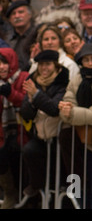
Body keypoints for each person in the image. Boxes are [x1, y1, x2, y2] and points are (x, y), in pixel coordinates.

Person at [58, 43, 92, 208]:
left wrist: (71, 113)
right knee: (77, 181)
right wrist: (67, 111)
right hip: (77, 139)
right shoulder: (77, 78)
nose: (89, 63)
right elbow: (66, 103)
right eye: (86, 59)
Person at [20, 50, 70, 198]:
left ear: (55, 65)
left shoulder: (63, 82)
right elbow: (26, 113)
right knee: (29, 150)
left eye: (47, 64)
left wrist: (35, 95)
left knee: (59, 171)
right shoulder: (33, 81)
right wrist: (30, 100)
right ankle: (36, 186)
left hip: (59, 138)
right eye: (41, 65)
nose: (44, 68)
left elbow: (54, 108)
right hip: (40, 136)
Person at [0, 48, 29, 208]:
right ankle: (9, 193)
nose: (2, 67)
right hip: (3, 132)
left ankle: (29, 199)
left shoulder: (23, 77)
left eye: (5, 62)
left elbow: (26, 103)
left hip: (23, 130)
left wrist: (10, 92)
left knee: (23, 156)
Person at [5, 0, 38, 71]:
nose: (17, 16)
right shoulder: (7, 39)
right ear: (10, 19)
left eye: (21, 12)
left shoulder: (37, 35)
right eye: (13, 14)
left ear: (30, 15)